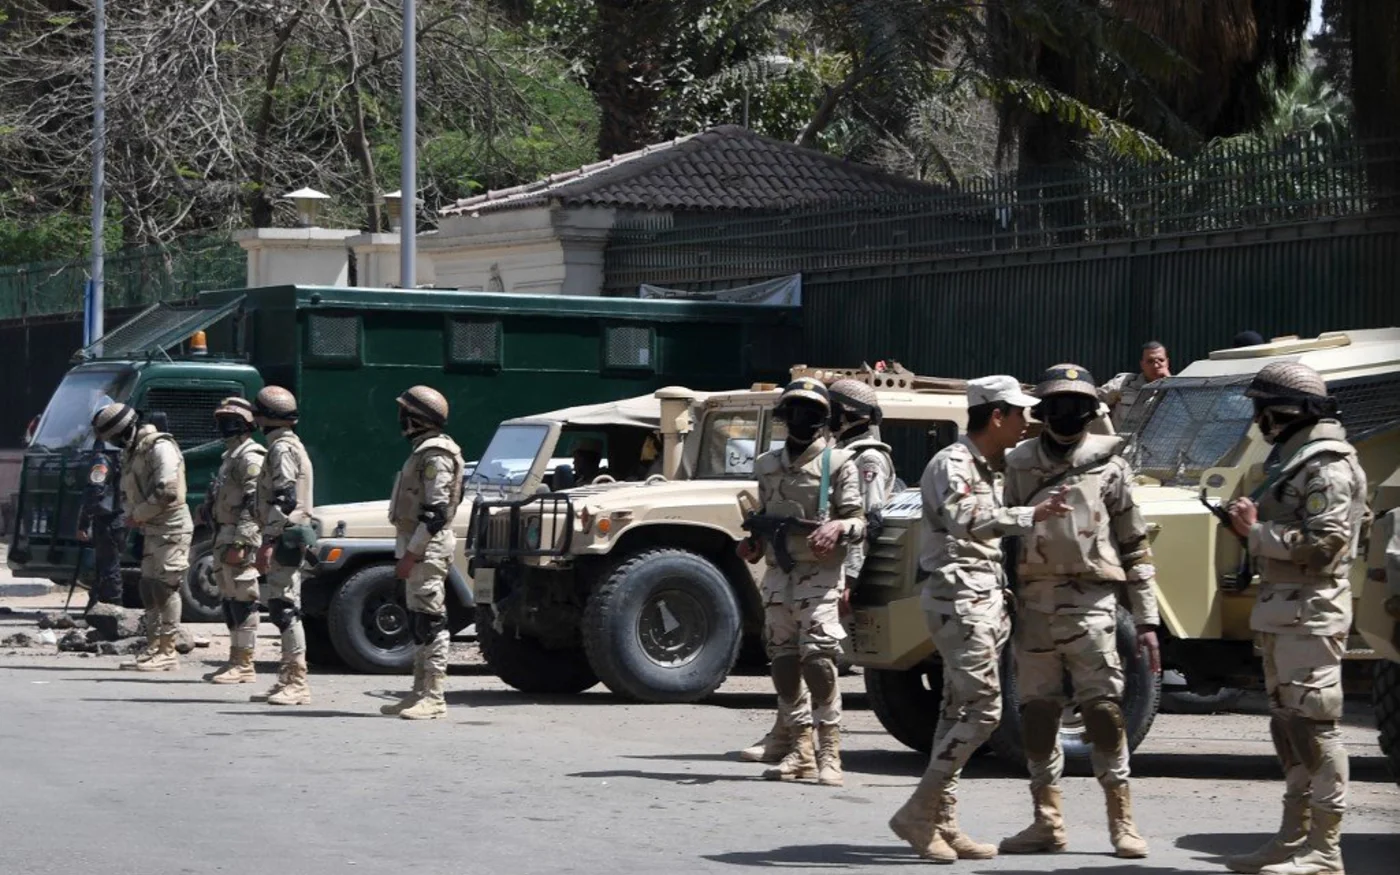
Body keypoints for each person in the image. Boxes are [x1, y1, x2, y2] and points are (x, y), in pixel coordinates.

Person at [889, 376, 1071, 862]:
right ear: (996, 415)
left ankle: (942, 823)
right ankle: (918, 811)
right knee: (985, 711)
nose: (1025, 423)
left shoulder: (985, 465)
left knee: (955, 709)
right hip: (959, 599)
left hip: (979, 597)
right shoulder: (952, 463)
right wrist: (1030, 515)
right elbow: (967, 519)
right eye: (1019, 414)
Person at [1000, 364, 1160, 859]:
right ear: (1042, 411)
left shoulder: (1110, 464)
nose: (1067, 413)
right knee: (1038, 714)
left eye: (1077, 405)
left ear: (1093, 412)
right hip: (1032, 606)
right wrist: (1001, 603)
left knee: (1104, 713)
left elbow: (1134, 545)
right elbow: (1003, 535)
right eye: (1058, 405)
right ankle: (1046, 821)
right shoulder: (1019, 463)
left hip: (1091, 604)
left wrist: (1149, 620)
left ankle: (1122, 823)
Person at [1224, 362, 1368, 875]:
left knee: (1317, 728)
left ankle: (1325, 851)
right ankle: (1293, 838)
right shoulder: (1296, 459)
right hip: (1287, 614)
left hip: (1312, 615)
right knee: (1289, 726)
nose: (1259, 418)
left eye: (1264, 407)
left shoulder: (1326, 464)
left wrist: (1255, 532)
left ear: (1286, 411)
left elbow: (1327, 547)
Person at [737, 378, 895, 767]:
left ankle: (821, 748)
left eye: (813, 412)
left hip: (823, 572)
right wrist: (754, 539)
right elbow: (764, 512)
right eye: (793, 412)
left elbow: (868, 523)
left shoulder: (853, 460)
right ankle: (792, 739)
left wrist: (851, 577)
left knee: (819, 660)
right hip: (782, 574)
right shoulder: (771, 465)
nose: (801, 419)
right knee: (785, 660)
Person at [380, 385, 466, 720]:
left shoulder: (436, 454)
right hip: (418, 548)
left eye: (405, 412)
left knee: (431, 620)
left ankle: (434, 695)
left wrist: (412, 555)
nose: (400, 419)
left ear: (417, 418)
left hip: (427, 549)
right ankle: (418, 691)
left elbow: (437, 512)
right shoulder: (423, 451)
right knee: (418, 620)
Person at [92, 403, 192, 673]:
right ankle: (154, 646)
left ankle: (168, 650)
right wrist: (132, 516)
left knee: (165, 588)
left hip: (171, 527)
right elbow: (129, 491)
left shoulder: (160, 447)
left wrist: (138, 514)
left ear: (124, 430)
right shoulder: (133, 451)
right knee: (148, 587)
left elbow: (168, 491)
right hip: (150, 528)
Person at [251, 386, 317, 706]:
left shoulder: (282, 450)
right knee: (281, 605)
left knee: (286, 607)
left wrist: (267, 541)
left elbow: (285, 498)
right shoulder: (286, 445)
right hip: (286, 533)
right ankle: (287, 677)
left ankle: (297, 681)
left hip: (286, 535)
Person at [203, 397, 266, 685]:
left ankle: (245, 663)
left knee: (244, 599)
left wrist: (242, 542)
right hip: (223, 533)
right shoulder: (231, 457)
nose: (224, 427)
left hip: (238, 537)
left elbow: (254, 504)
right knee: (230, 600)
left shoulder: (251, 457)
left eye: (230, 421)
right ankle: (234, 658)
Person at [76, 436, 126, 610]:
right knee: (105, 567)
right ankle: (95, 609)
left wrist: (83, 523)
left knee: (109, 568)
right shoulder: (121, 458)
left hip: (107, 520)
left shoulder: (101, 460)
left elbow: (95, 492)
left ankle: (113, 611)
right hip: (117, 520)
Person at [1098, 341, 1170, 430]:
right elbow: (1094, 400)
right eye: (1150, 361)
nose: (1155, 365)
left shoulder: (1177, 389)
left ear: (1167, 362)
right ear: (1142, 364)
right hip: (1125, 441)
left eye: (1161, 360)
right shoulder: (1123, 384)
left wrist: (1170, 383)